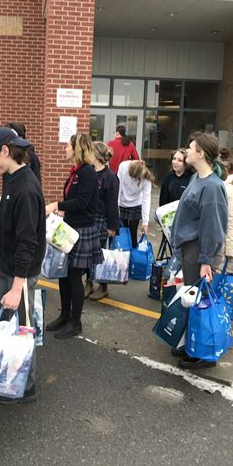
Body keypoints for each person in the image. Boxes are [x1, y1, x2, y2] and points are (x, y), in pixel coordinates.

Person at [0, 127, 46, 404]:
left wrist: (17, 287)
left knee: (21, 328)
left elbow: (28, 242)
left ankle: (25, 386)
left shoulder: (25, 188)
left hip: (20, 273)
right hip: (8, 265)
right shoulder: (13, 178)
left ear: (5, 151)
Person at [171, 132, 228, 370]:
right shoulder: (198, 179)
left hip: (198, 251)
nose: (187, 151)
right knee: (192, 299)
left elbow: (213, 227)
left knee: (199, 300)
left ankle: (204, 354)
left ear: (201, 153)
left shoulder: (213, 187)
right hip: (189, 249)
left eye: (190, 148)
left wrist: (206, 260)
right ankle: (195, 344)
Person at [45, 134, 103, 338]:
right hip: (71, 228)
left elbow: (83, 203)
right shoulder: (76, 171)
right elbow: (75, 200)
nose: (64, 149)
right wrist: (63, 211)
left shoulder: (87, 172)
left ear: (77, 148)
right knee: (64, 274)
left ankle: (75, 322)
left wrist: (57, 205)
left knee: (74, 276)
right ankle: (65, 316)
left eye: (68, 146)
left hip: (82, 230)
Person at [86, 141, 119, 301]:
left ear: (96, 156)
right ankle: (89, 282)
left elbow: (113, 203)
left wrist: (113, 226)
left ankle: (103, 286)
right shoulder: (90, 173)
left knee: (101, 254)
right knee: (89, 253)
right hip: (90, 219)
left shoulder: (110, 177)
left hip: (103, 220)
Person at [118, 160, 154, 249]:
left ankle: (133, 256)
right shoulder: (123, 166)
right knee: (122, 233)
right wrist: (116, 208)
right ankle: (123, 257)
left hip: (136, 204)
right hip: (122, 204)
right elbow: (118, 188)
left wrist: (145, 222)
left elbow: (146, 199)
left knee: (133, 233)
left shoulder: (146, 178)